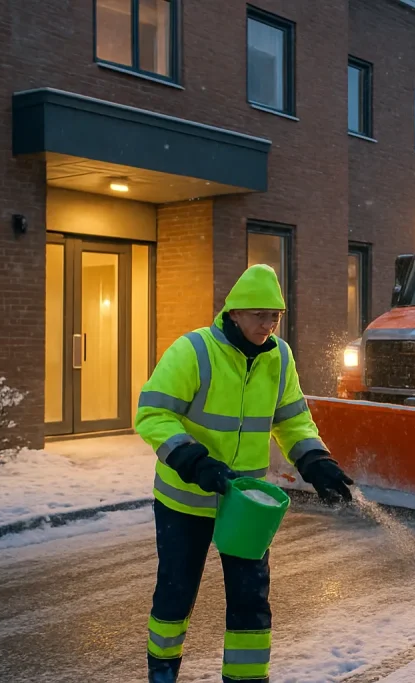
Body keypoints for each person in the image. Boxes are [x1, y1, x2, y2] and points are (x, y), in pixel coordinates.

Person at [134, 264, 354, 683]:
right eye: (259, 315)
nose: (268, 325)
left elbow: (292, 419)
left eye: (275, 316)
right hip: (185, 500)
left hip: (246, 504)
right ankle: (162, 673)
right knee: (176, 594)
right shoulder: (194, 351)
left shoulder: (279, 357)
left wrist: (314, 460)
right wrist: (193, 460)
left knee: (251, 600)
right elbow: (153, 414)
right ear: (234, 313)